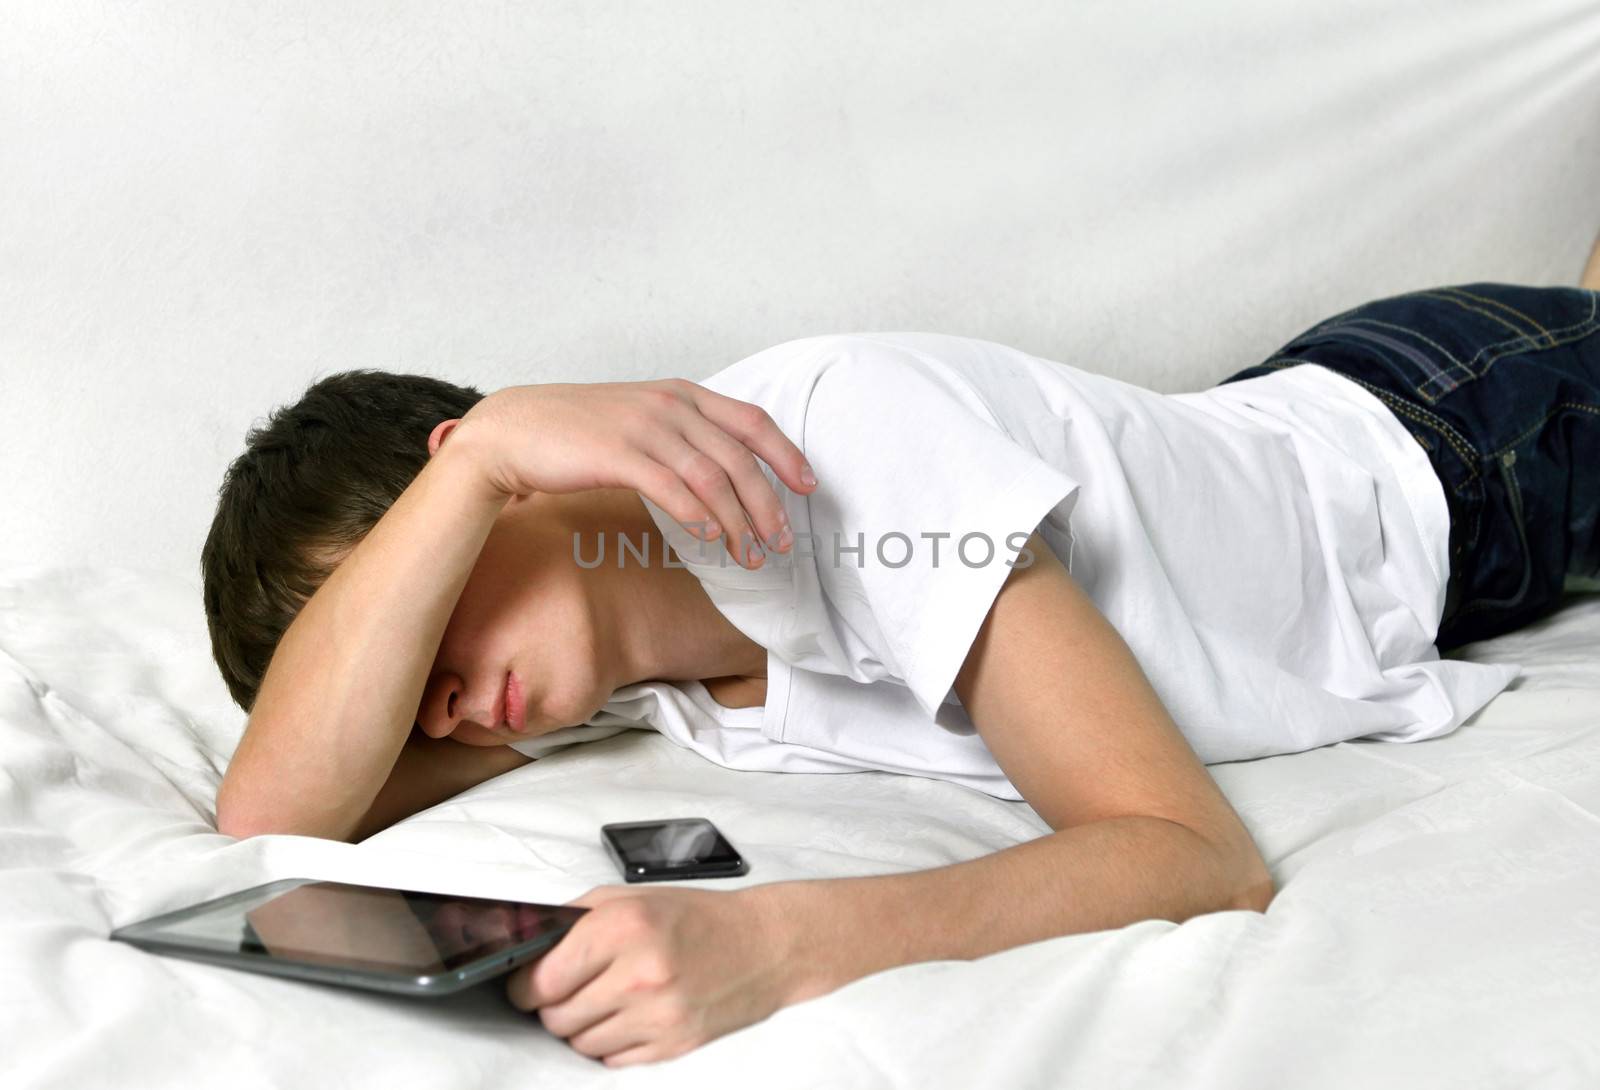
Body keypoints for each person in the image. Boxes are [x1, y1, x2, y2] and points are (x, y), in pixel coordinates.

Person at [199, 241, 1600, 1067]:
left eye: (429, 607)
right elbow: (275, 815)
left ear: (510, 484)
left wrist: (781, 942)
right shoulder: (602, 674)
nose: (437, 701)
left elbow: (1192, 853)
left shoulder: (843, 447)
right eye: (400, 674)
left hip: (1460, 439)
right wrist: (467, 479)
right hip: (1284, 428)